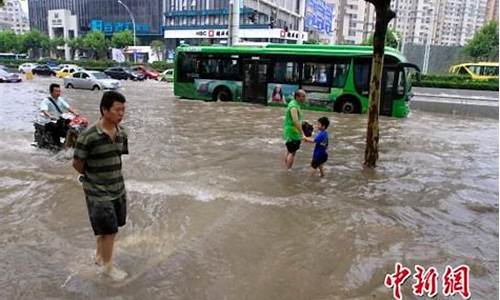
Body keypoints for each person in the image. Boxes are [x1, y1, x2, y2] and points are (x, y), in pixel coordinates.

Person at [73, 91, 129, 281]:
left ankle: (99, 256)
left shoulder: (122, 133)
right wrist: (93, 180)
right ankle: (108, 268)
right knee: (109, 230)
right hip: (97, 191)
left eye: (123, 110)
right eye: (117, 110)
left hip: (118, 188)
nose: (121, 114)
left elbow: (117, 157)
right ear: (105, 110)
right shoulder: (88, 137)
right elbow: (78, 165)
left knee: (109, 228)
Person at [283, 89, 307, 170]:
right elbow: (295, 121)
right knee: (292, 153)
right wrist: (302, 133)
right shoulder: (293, 106)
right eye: (303, 96)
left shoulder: (295, 104)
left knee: (289, 151)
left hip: (290, 131)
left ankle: (286, 168)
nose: (304, 98)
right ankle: (288, 170)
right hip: (292, 132)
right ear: (297, 97)